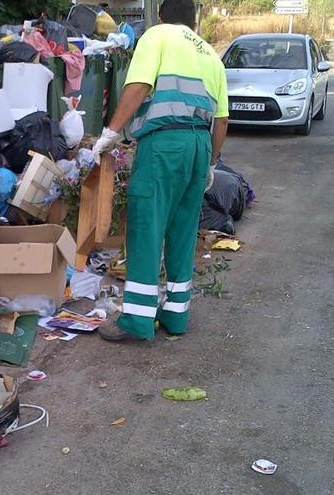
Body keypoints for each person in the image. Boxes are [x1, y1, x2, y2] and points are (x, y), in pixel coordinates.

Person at [92, 0, 229, 342]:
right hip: (199, 146)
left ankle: (137, 322)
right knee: (183, 231)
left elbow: (138, 87)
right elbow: (223, 119)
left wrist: (111, 133)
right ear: (194, 22)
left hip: (164, 143)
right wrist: (211, 162)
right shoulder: (212, 56)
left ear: (162, 15)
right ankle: (176, 316)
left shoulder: (157, 36)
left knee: (147, 225)